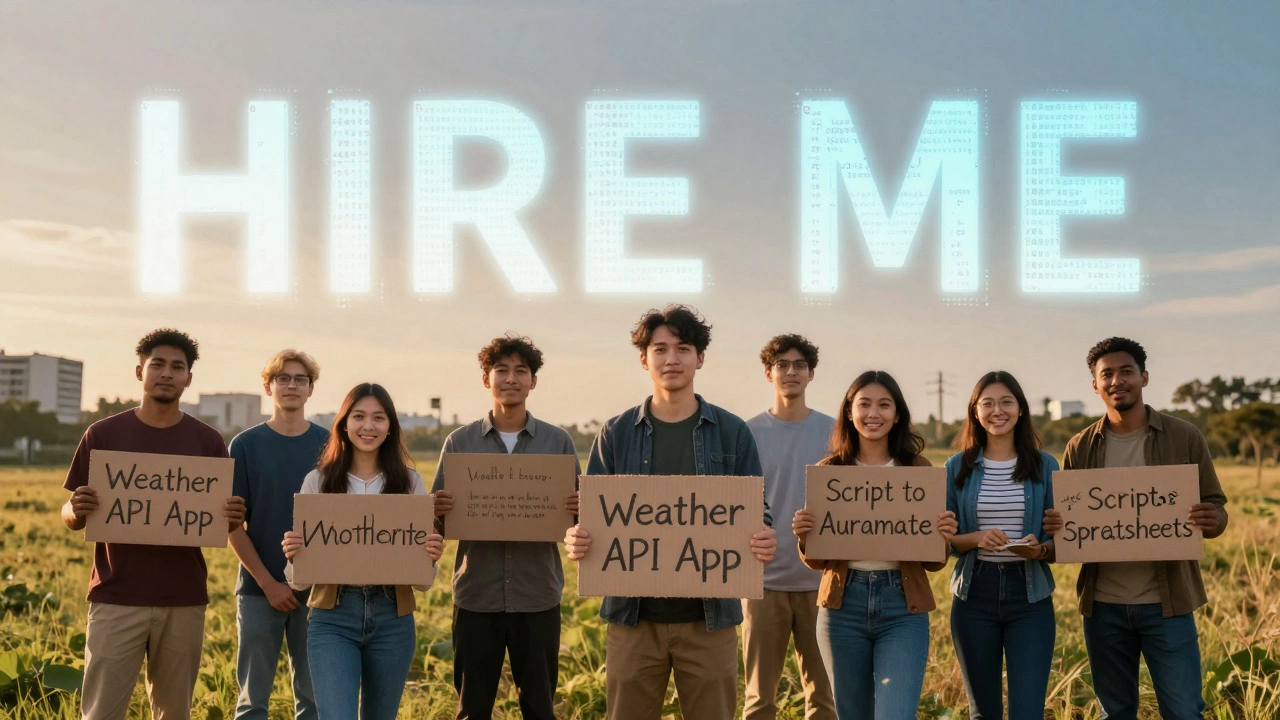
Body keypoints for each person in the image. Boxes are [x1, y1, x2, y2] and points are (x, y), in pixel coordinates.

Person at [563, 305, 778, 720]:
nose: (672, 359)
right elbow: (592, 517)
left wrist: (763, 533)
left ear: (700, 358)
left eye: (683, 348)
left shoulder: (733, 431)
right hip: (633, 619)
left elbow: (756, 510)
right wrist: (579, 537)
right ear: (644, 359)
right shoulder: (616, 433)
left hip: (708, 620)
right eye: (660, 349)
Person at [61, 328, 246, 720]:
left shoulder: (208, 441)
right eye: (157, 364)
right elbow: (70, 515)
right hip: (115, 596)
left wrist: (231, 516)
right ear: (139, 372)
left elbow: (219, 519)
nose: (166, 373)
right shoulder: (103, 434)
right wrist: (76, 509)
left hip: (183, 599)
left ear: (188, 379)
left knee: (173, 713)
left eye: (177, 367)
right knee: (100, 712)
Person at [1044, 337, 1228, 720]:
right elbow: (1070, 524)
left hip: (1169, 605)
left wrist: (1213, 520)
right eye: (1106, 374)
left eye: (1126, 371)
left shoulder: (1184, 436)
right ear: (1095, 385)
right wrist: (1057, 528)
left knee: (1183, 711)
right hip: (1104, 608)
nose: (1117, 381)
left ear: (1144, 377)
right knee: (1117, 712)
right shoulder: (1080, 447)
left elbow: (1216, 504)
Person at [430, 334, 581, 720]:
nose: (510, 379)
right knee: (472, 709)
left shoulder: (557, 442)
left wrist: (579, 509)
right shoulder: (460, 442)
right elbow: (433, 520)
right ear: (486, 379)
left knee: (540, 707)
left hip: (538, 595)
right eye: (501, 371)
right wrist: (439, 508)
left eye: (520, 371)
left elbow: (581, 520)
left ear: (533, 381)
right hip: (477, 595)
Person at [792, 370, 957, 720]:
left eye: (884, 405)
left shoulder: (917, 470)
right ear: (849, 412)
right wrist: (805, 534)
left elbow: (933, 561)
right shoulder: (830, 472)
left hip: (902, 606)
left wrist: (942, 534)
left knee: (895, 714)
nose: (873, 414)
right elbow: (818, 560)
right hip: (841, 607)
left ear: (897, 415)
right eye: (864, 404)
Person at [282, 383, 445, 720]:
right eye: (358, 416)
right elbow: (298, 582)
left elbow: (423, 582)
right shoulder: (319, 481)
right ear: (343, 424)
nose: (368, 426)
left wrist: (429, 555)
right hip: (333, 616)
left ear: (390, 427)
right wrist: (294, 554)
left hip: (393, 617)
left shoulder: (410, 484)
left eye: (378, 418)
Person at [944, 371, 1058, 720]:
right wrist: (976, 538)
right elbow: (944, 541)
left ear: (1021, 409)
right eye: (988, 403)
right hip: (973, 594)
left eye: (1007, 402)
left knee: (1028, 712)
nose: (998, 411)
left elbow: (1062, 539)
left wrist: (1039, 549)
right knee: (983, 713)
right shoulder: (956, 467)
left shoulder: (1045, 465)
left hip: (1030, 597)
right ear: (975, 411)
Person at [229, 350, 328, 720]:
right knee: (252, 703)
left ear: (310, 389)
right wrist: (269, 584)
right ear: (268, 386)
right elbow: (233, 526)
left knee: (315, 701)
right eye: (282, 378)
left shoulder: (331, 444)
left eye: (299, 379)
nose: (291, 385)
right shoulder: (244, 445)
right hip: (258, 590)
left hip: (317, 592)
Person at [741, 334, 836, 720]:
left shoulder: (835, 432)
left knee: (825, 700)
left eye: (799, 365)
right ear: (769, 373)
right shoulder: (745, 433)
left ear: (811, 374)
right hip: (762, 584)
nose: (791, 371)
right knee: (759, 700)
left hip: (823, 582)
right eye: (782, 365)